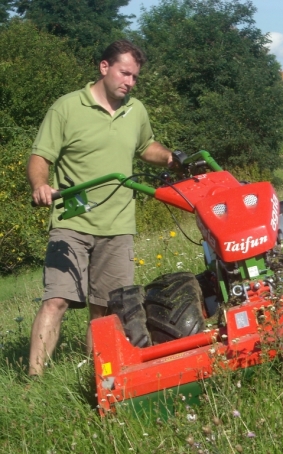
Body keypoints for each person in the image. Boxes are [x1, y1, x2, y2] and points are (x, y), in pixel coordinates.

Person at [27, 40, 174, 376]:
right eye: (125, 73)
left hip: (119, 224)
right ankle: (34, 381)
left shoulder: (135, 110)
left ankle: (102, 380)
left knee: (105, 310)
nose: (130, 82)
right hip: (72, 221)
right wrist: (40, 185)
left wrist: (170, 158)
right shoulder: (66, 108)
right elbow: (40, 156)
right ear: (104, 67)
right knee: (57, 300)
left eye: (135, 77)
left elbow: (146, 146)